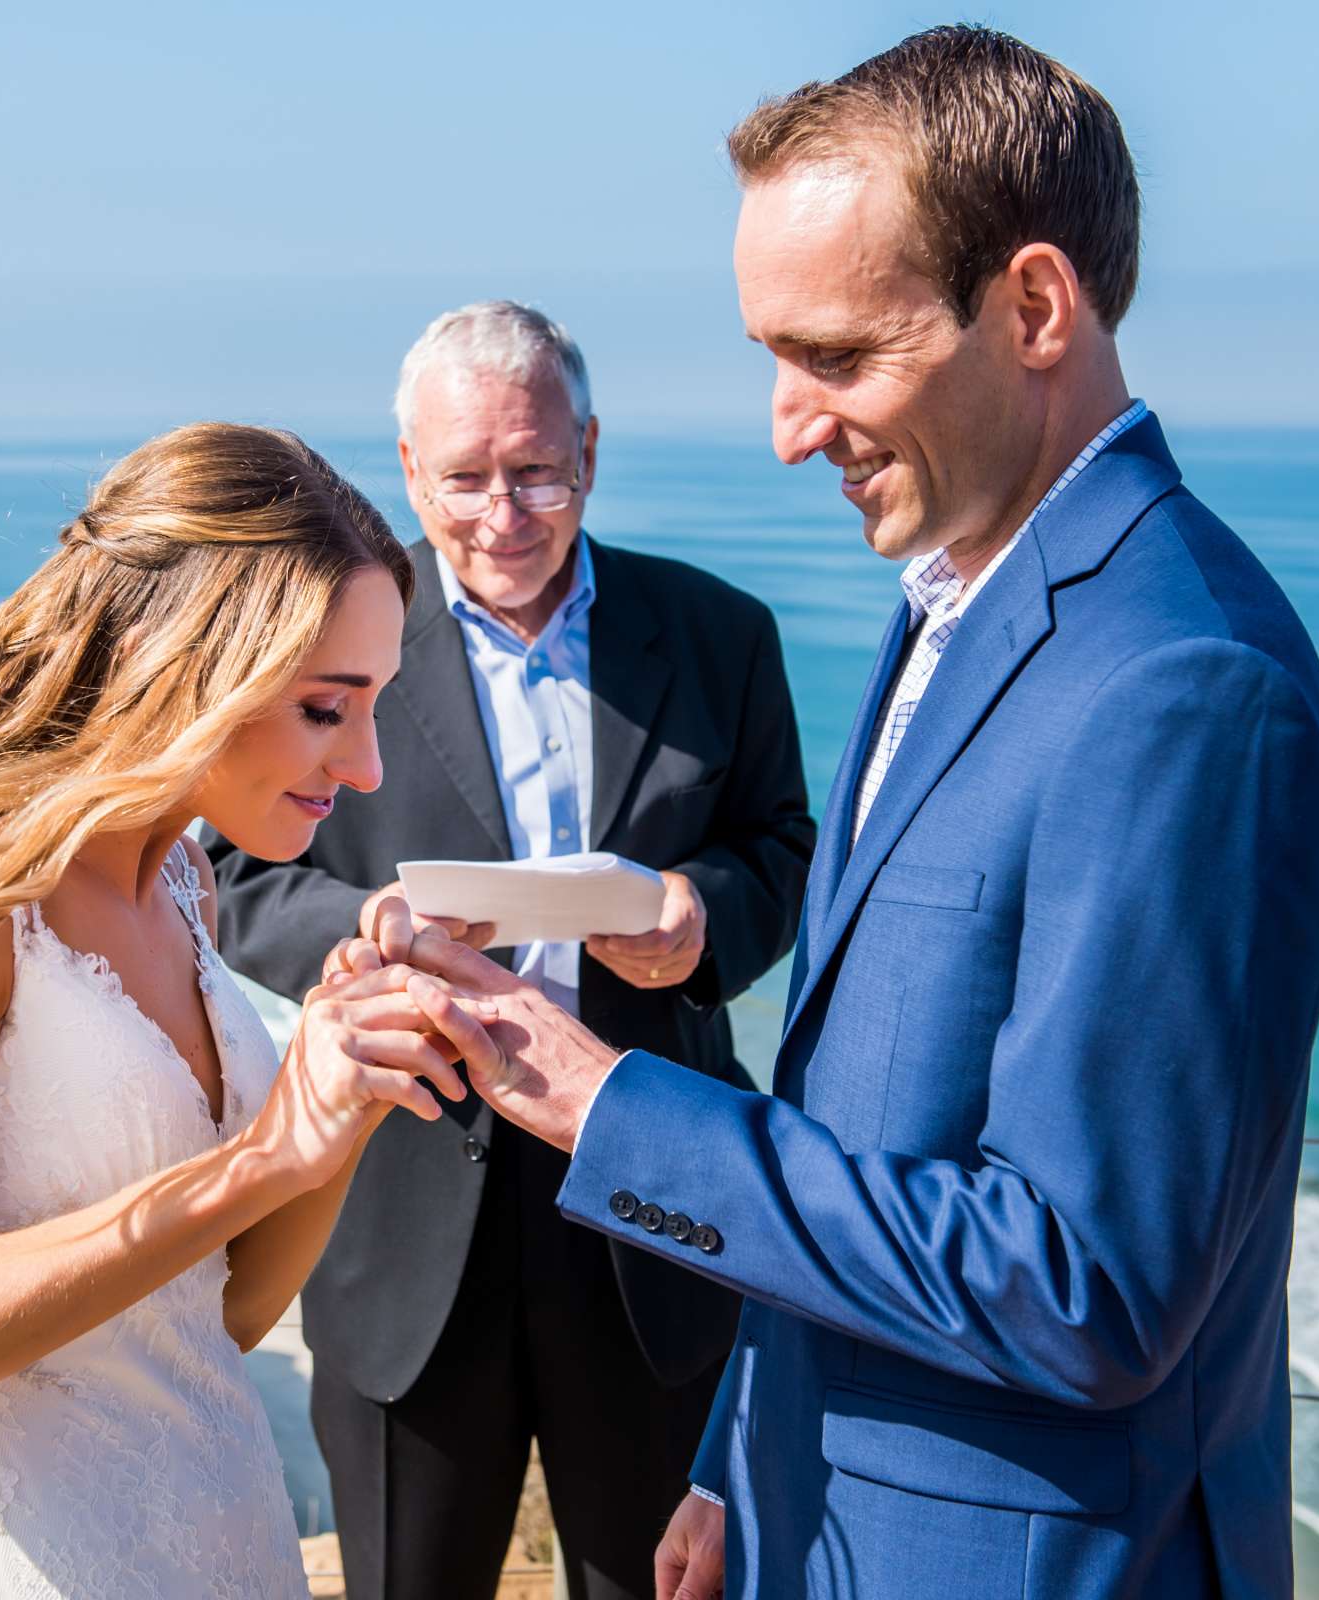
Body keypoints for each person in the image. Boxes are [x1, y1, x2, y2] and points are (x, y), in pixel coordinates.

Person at [374, 28, 1319, 1600]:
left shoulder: (1188, 687)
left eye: (836, 356)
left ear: (1033, 307)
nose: (786, 422)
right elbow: (863, 1105)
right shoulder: (946, 603)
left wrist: (601, 1105)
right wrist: (736, 1450)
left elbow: (1086, 1284)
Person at [0, 424, 485, 1599]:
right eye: (328, 707)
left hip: (230, 1545)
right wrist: (257, 1158)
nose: (365, 768)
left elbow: (217, 1314)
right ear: (190, 665)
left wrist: (339, 1100)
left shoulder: (184, 880)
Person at [207, 301, 815, 1600]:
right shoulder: (328, 638)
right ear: (410, 470)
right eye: (466, 479)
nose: (503, 513)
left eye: (535, 470)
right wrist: (365, 936)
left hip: (652, 1212)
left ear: (590, 450)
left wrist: (704, 918)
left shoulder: (721, 634)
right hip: (401, 1209)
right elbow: (236, 870)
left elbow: (783, 852)